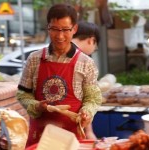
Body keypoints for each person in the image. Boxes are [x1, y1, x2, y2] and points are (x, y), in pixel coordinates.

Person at [16, 4, 102, 147]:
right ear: (48, 28)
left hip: (72, 140)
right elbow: (23, 94)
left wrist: (87, 112)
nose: (60, 36)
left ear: (74, 29)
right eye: (55, 29)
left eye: (65, 30)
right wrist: (36, 106)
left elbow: (92, 98)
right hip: (41, 139)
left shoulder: (86, 63)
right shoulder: (34, 59)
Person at [72, 21, 100, 140]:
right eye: (95, 46)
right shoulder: (85, 62)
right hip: (72, 129)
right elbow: (86, 98)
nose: (94, 49)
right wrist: (89, 131)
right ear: (91, 40)